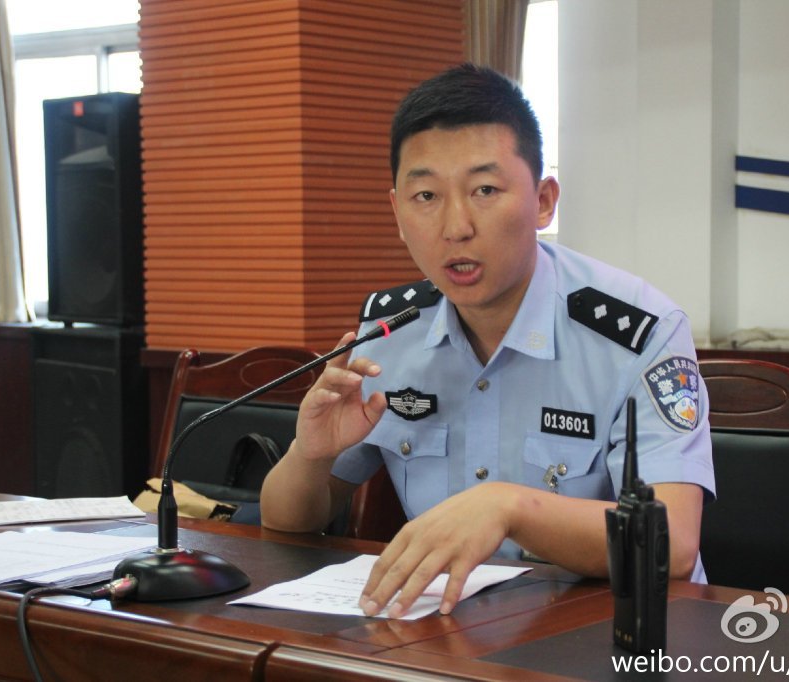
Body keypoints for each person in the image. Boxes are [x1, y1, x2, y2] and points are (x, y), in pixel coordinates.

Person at [261, 63, 714, 619]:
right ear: (398, 212)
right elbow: (287, 522)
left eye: (484, 190)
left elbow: (672, 542)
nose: (456, 227)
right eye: (426, 195)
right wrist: (310, 455)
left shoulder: (639, 332)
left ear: (543, 201)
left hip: (611, 631)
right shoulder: (390, 331)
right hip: (441, 633)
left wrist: (509, 509)